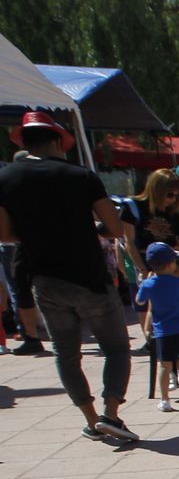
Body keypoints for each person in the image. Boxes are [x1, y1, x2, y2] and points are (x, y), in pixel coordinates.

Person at [0, 112, 139, 441]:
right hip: (89, 276)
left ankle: (91, 419)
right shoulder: (81, 176)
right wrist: (88, 229)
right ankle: (111, 412)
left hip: (45, 279)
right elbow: (114, 228)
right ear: (55, 141)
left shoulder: (6, 179)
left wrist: (37, 235)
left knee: (66, 353)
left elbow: (4, 234)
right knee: (117, 348)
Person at [134, 243, 179, 412]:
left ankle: (165, 400)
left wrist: (147, 282)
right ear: (171, 263)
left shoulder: (149, 284)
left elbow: (139, 301)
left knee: (165, 366)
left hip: (163, 331)